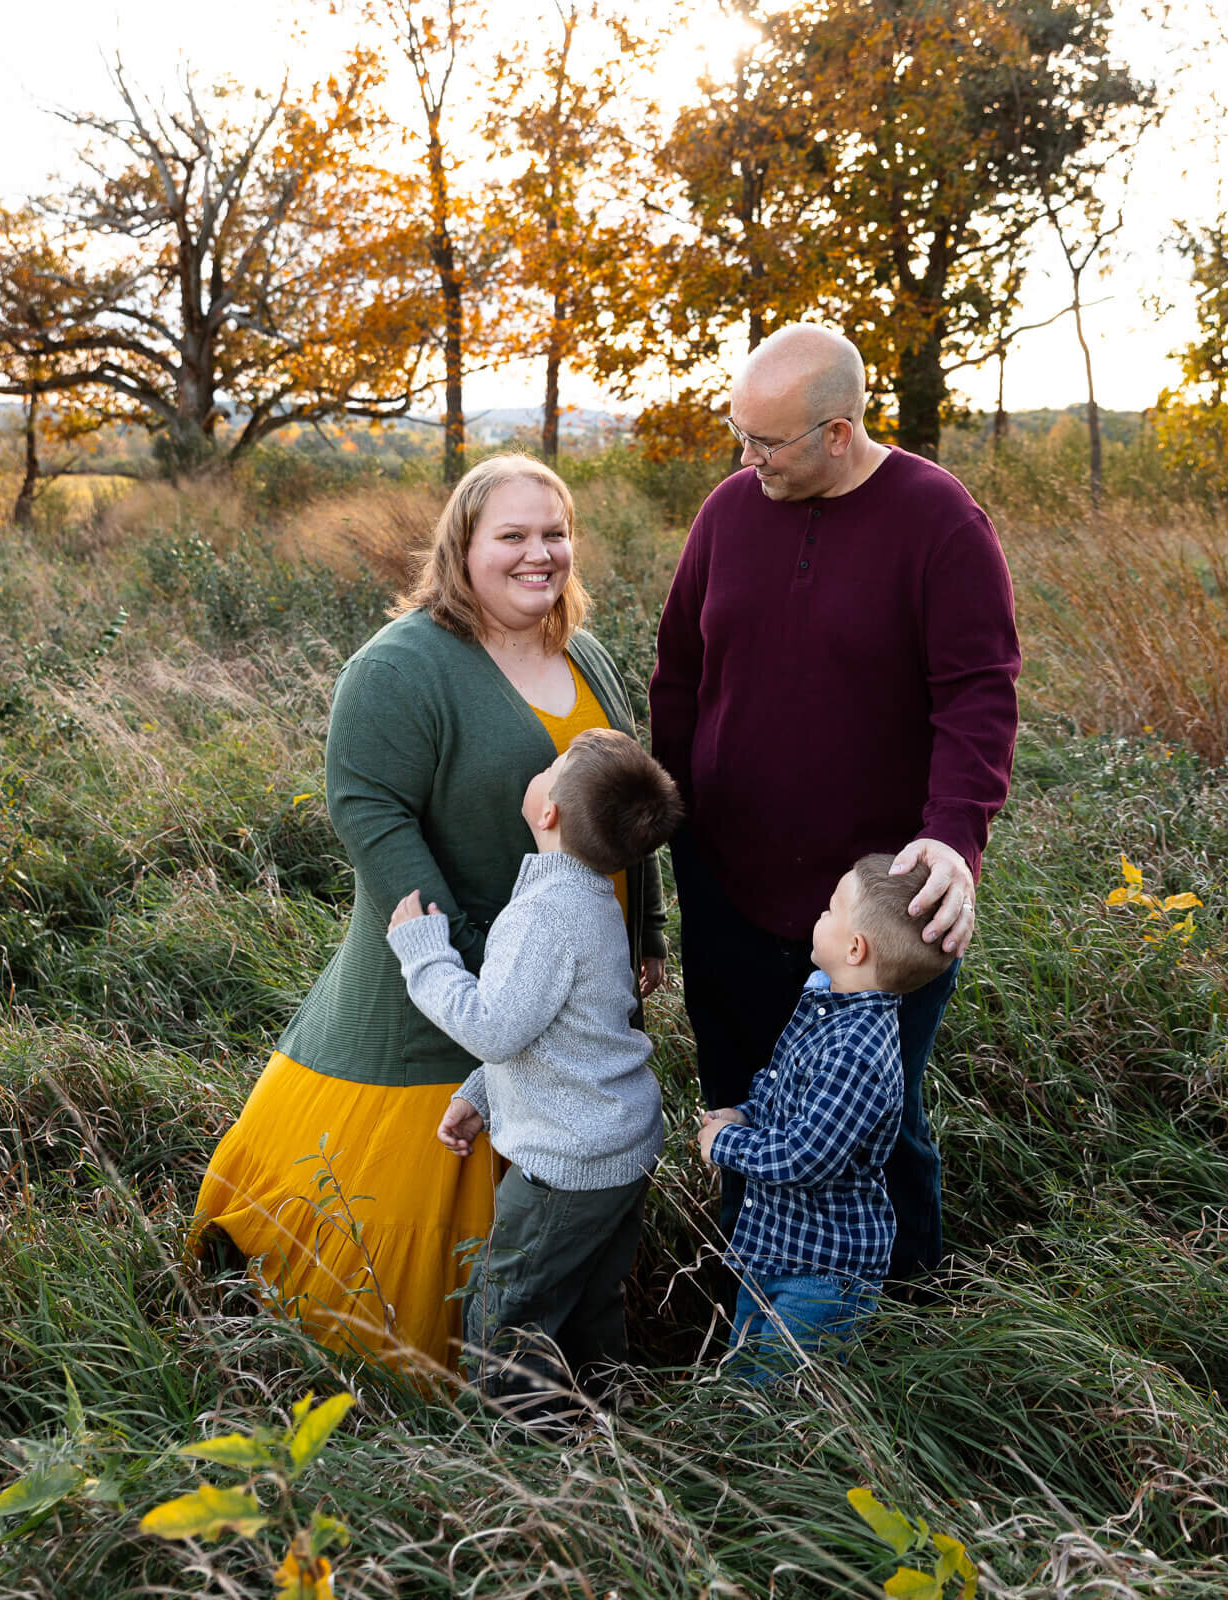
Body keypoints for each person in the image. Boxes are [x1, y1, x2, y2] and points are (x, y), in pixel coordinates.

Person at [189, 455, 669, 1375]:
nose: (541, 555)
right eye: (514, 536)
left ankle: (577, 1379)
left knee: (563, 1190)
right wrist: (453, 947)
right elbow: (369, 806)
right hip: (447, 970)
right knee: (426, 1213)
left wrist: (644, 927)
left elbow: (626, 801)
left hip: (582, 965)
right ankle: (423, 1375)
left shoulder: (587, 651)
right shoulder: (402, 666)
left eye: (555, 533)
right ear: (464, 546)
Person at [651, 324, 1020, 1278]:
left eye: (765, 442)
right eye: (739, 433)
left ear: (840, 433)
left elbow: (978, 694)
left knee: (877, 1127)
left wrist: (954, 837)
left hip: (879, 905)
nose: (746, 459)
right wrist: (669, 819)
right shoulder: (729, 512)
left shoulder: (940, 522)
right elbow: (680, 673)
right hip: (728, 883)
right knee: (742, 1105)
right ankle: (761, 1309)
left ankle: (903, 1321)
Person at [387, 726, 684, 1422]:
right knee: (589, 1302)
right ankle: (605, 1416)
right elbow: (567, 1033)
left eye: (550, 767)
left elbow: (495, 1025)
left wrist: (424, 955)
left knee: (505, 1314)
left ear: (546, 811)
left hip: (564, 1171)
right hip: (619, 1146)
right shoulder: (592, 898)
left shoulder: (544, 916)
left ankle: (528, 1458)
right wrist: (481, 1093)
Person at [698, 854, 950, 1369]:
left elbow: (805, 1155)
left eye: (831, 910)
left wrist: (724, 1144)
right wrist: (745, 1115)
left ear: (855, 948)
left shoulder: (856, 1054)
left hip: (819, 1273)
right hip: (774, 1247)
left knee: (787, 1395)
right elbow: (784, 1092)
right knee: (748, 1371)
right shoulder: (825, 1005)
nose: (819, 916)